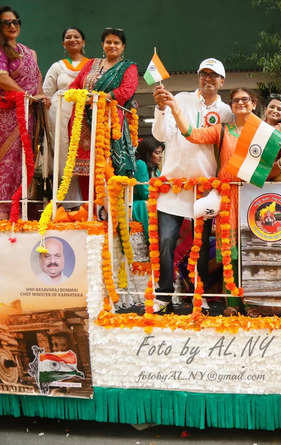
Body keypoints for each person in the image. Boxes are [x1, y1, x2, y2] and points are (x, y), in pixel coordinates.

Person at [151, 57, 232, 313]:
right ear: (199, 77)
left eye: (213, 75)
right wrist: (162, 109)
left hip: (204, 190)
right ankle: (163, 295)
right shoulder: (181, 99)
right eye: (204, 74)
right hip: (172, 187)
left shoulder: (227, 112)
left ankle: (201, 296)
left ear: (222, 81)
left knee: (201, 248)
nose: (208, 79)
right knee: (166, 241)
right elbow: (161, 135)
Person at [69, 27, 138, 199]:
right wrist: (82, 96)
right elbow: (74, 86)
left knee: (108, 166)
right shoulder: (91, 64)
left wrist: (102, 98)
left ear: (123, 47)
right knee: (86, 167)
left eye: (116, 43)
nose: (112, 46)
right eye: (108, 42)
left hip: (110, 121)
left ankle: (111, 212)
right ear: (103, 44)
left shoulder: (128, 67)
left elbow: (127, 91)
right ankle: (89, 209)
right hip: (84, 122)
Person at [0, 6, 48, 219]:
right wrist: (27, 96)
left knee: (25, 162)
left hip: (30, 117)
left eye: (15, 22)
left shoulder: (30, 52)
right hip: (8, 116)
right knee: (6, 163)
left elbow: (37, 82)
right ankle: (2, 212)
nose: (12, 26)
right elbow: (2, 77)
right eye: (6, 23)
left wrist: (41, 97)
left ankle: (18, 211)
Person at [42, 27, 89, 207]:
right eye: (68, 37)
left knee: (81, 155)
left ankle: (82, 204)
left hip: (83, 116)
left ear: (83, 42)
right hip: (59, 115)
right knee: (61, 156)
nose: (72, 39)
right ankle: (61, 203)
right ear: (63, 43)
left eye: (76, 36)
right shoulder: (57, 66)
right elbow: (46, 93)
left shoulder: (92, 65)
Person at [132, 137, 163, 240]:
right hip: (138, 205)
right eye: (157, 153)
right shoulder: (141, 164)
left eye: (161, 153)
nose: (160, 156)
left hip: (152, 201)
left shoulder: (155, 169)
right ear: (148, 153)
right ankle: (154, 241)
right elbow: (145, 193)